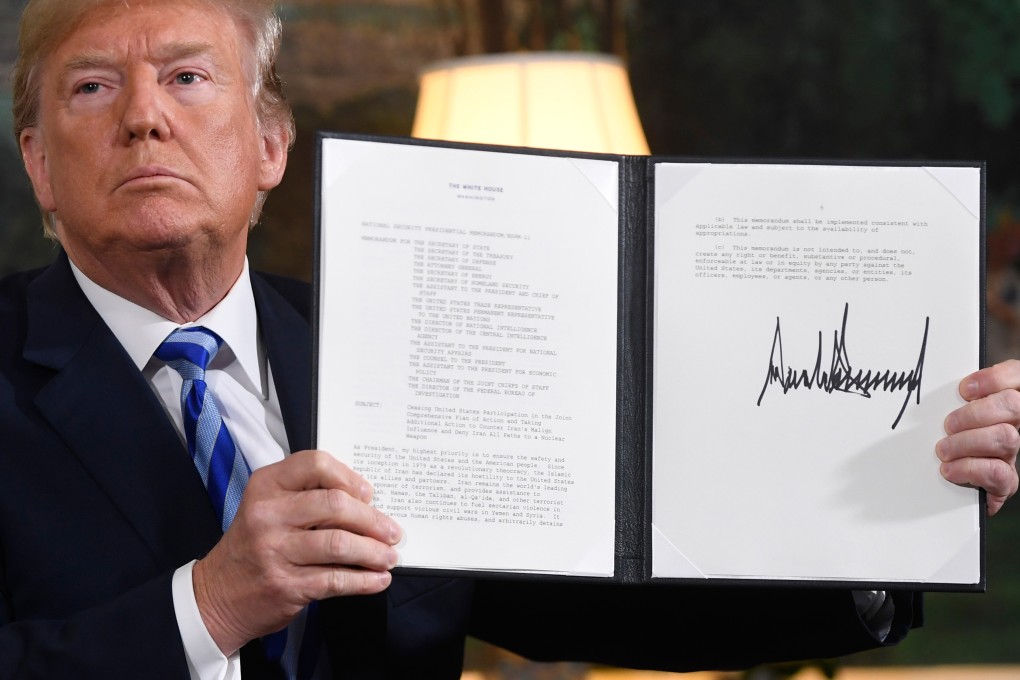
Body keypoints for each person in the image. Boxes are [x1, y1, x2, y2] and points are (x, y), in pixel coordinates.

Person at [1, 0, 1017, 678]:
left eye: (187, 77)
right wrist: (209, 605)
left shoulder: (393, 343)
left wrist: (896, 517)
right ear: (39, 163)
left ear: (271, 145)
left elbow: (594, 605)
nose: (144, 117)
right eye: (93, 86)